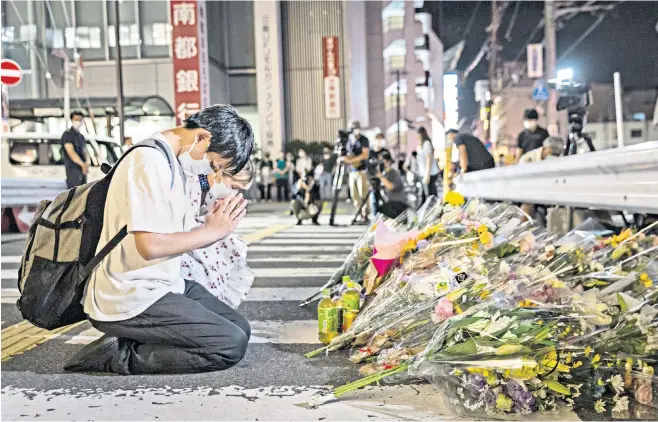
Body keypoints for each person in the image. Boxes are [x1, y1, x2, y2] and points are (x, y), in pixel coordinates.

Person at [64, 105, 254, 375]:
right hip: (129, 292)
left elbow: (179, 234)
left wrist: (216, 225)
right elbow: (149, 246)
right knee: (229, 345)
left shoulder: (171, 161)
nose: (212, 173)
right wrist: (211, 232)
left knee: (241, 329)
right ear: (201, 137)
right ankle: (119, 355)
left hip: (163, 282)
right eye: (214, 165)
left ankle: (137, 338)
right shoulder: (149, 161)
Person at [181, 161, 256, 308]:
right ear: (220, 171)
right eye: (233, 187)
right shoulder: (191, 183)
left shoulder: (205, 189)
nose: (233, 194)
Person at [518, 136, 564, 221]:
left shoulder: (559, 160)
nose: (554, 155)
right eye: (552, 152)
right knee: (527, 205)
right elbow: (522, 181)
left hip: (550, 193)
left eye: (557, 153)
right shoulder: (528, 158)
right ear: (545, 148)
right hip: (530, 193)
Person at [340, 120, 370, 222]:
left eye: (358, 127)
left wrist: (350, 160)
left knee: (363, 193)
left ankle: (365, 214)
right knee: (354, 194)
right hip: (351, 171)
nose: (357, 129)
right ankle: (359, 212)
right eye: (355, 128)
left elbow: (365, 154)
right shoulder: (349, 139)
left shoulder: (364, 139)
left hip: (361, 170)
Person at [61, 111, 90, 189]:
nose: (78, 122)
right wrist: (83, 164)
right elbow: (71, 152)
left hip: (82, 170)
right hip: (73, 170)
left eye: (80, 120)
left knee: (83, 193)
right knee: (74, 195)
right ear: (72, 120)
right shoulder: (67, 135)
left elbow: (85, 150)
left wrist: (87, 163)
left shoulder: (81, 136)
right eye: (76, 119)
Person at [375, 150, 408, 220]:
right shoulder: (383, 174)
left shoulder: (394, 173)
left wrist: (381, 177)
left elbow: (390, 187)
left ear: (388, 161)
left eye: (382, 161)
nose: (381, 163)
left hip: (398, 205)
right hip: (390, 204)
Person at [416, 127, 440, 202]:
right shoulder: (422, 144)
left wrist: (427, 174)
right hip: (424, 173)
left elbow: (428, 159)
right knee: (424, 195)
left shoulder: (426, 143)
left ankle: (435, 210)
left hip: (429, 173)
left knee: (430, 195)